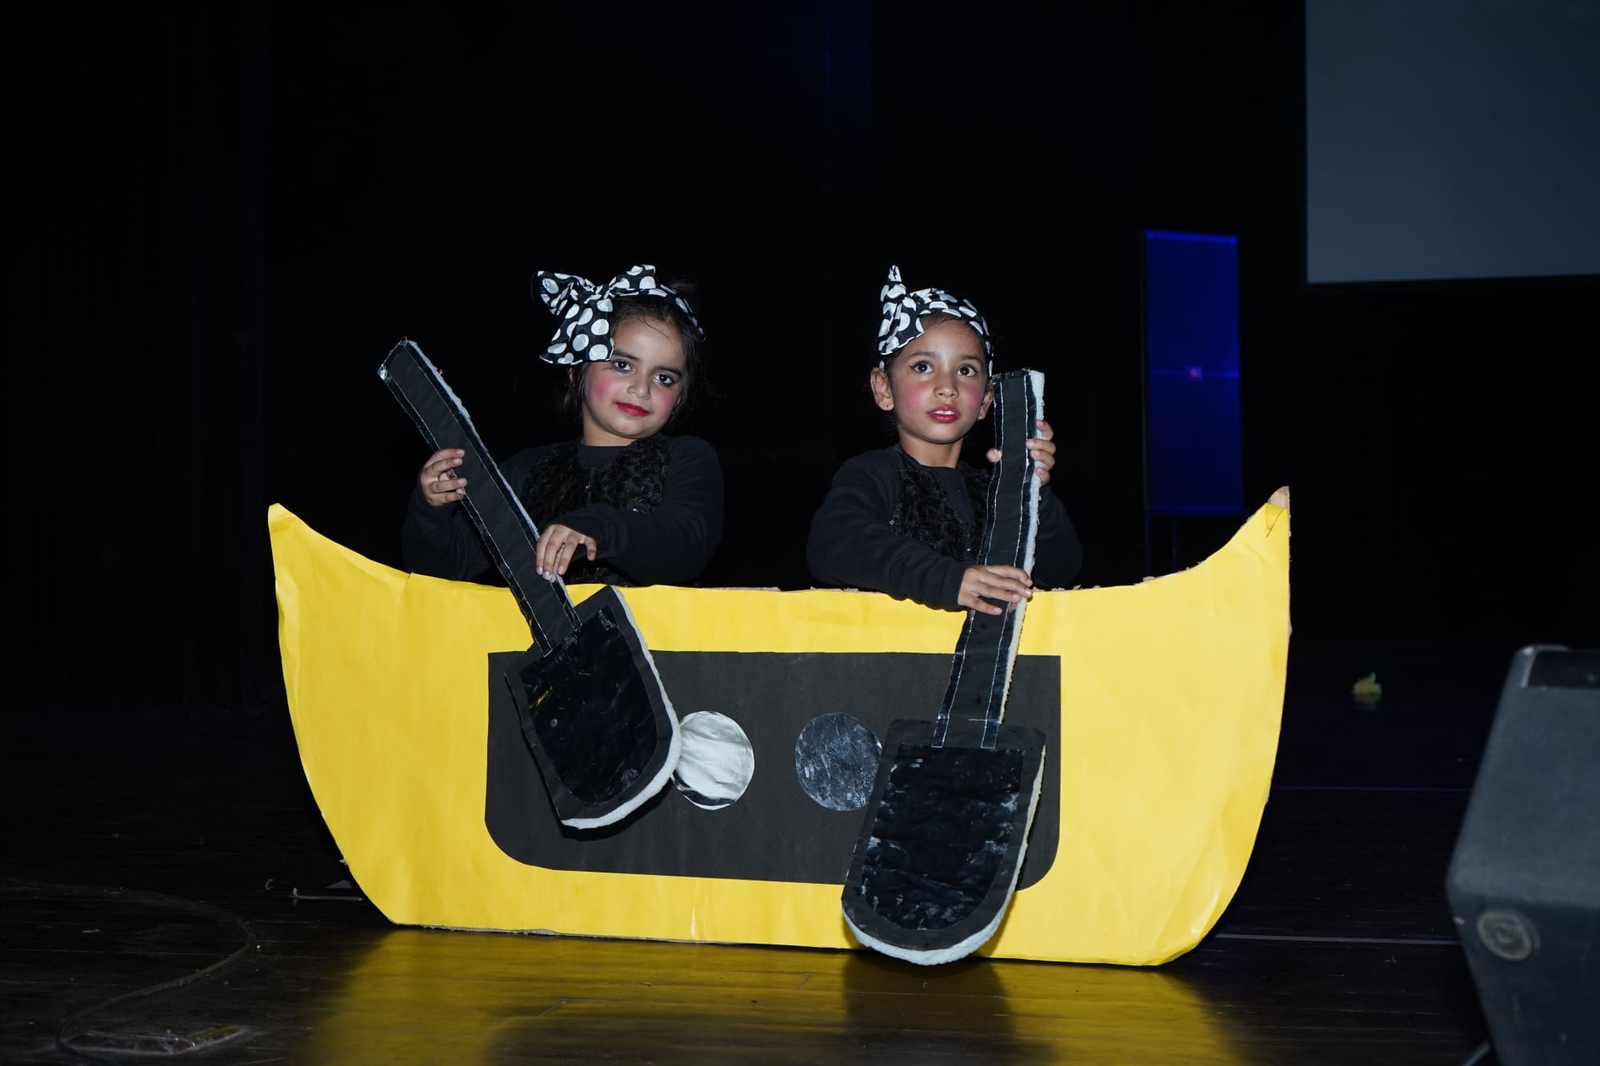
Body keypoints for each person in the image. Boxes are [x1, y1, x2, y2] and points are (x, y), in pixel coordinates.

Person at [402, 264, 724, 587]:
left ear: (679, 397)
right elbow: (441, 570)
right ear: (575, 370)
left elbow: (686, 545)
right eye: (622, 365)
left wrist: (599, 527)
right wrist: (431, 511)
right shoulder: (525, 471)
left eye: (664, 378)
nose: (642, 389)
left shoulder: (688, 458)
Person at [805, 265, 1082, 615]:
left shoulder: (995, 491)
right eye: (923, 366)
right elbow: (834, 542)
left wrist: (1032, 492)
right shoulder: (874, 473)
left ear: (985, 400)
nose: (947, 387)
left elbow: (1061, 569)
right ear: (884, 388)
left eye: (965, 370)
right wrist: (948, 579)